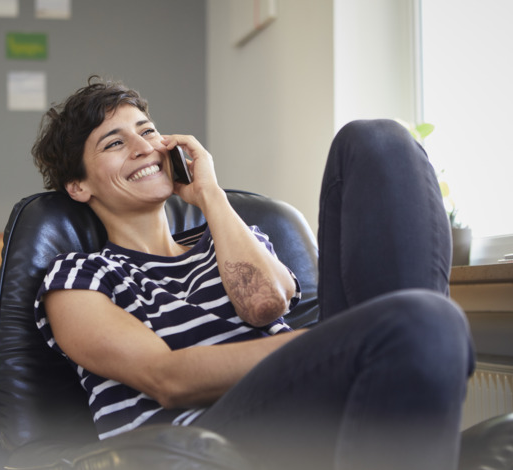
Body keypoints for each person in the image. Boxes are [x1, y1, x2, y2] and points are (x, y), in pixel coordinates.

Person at [32, 75, 474, 470]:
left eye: (148, 132)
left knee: (378, 139)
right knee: (423, 320)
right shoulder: (77, 278)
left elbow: (265, 304)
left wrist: (210, 194)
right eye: (114, 142)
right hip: (208, 439)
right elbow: (168, 379)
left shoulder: (231, 239)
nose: (144, 146)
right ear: (79, 186)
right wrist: (342, 341)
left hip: (311, 401)